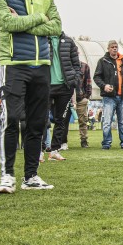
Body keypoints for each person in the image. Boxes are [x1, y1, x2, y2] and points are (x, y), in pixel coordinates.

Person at [0, 0, 62, 192]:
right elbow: (7, 23)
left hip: (41, 66)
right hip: (14, 65)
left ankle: (31, 176)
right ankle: (7, 176)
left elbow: (56, 27)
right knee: (11, 120)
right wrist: (39, 18)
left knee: (36, 123)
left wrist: (24, 22)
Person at [47, 32, 81, 161]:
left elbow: (76, 64)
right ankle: (38, 151)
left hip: (65, 87)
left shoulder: (69, 41)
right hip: (46, 86)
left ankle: (54, 150)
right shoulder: (42, 39)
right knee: (41, 120)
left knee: (61, 120)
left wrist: (75, 79)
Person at [94, 40, 123, 150]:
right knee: (107, 122)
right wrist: (104, 86)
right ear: (108, 48)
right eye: (112, 47)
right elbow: (96, 77)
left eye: (116, 47)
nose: (114, 48)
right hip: (109, 97)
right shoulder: (103, 61)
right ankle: (106, 143)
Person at [76, 61, 92, 148]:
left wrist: (86, 96)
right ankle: (62, 142)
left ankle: (84, 140)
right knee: (63, 121)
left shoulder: (84, 66)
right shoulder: (64, 65)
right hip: (66, 97)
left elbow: (88, 81)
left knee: (83, 121)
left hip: (80, 98)